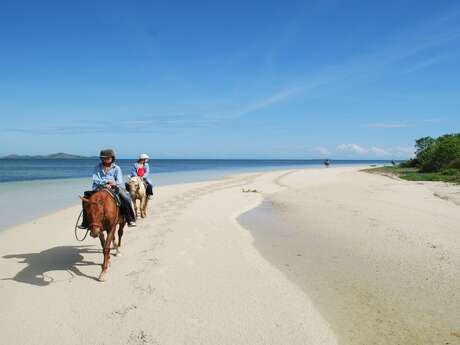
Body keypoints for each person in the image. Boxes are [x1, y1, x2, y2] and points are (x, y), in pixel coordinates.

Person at [78, 149, 136, 229]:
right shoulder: (97, 167)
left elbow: (119, 181)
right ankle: (85, 222)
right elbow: (95, 179)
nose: (106, 159)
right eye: (104, 158)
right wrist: (105, 183)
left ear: (112, 158)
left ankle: (130, 219)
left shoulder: (117, 168)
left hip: (114, 187)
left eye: (108, 158)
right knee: (85, 199)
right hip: (99, 187)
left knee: (126, 197)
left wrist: (113, 183)